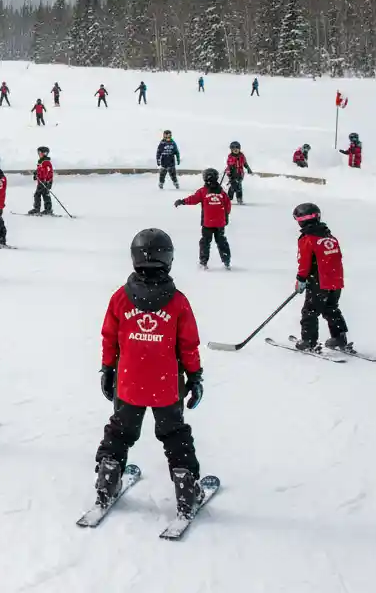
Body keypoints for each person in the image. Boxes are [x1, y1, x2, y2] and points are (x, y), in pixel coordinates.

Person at [93, 228, 205, 518]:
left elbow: (109, 337)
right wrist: (194, 376)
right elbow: (188, 345)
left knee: (120, 431)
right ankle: (185, 487)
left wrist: (108, 368)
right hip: (166, 387)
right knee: (174, 435)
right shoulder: (178, 302)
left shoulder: (121, 297)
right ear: (167, 259)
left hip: (129, 384)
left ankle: (107, 479)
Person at [291, 203, 351, 352]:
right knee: (331, 309)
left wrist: (301, 279)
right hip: (335, 281)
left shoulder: (307, 239)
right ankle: (339, 337)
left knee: (309, 312)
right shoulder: (329, 236)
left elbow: (304, 262)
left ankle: (309, 342)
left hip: (318, 281)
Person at [175, 168, 231, 269]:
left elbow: (193, 199)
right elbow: (228, 205)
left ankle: (203, 262)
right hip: (219, 224)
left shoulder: (203, 191)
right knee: (221, 241)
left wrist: (182, 201)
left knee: (205, 242)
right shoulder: (222, 192)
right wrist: (226, 216)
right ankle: (226, 260)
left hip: (207, 224)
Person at [29, 146, 54, 216]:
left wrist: (45, 180)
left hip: (45, 182)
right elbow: (40, 170)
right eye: (38, 152)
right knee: (40, 195)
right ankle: (39, 209)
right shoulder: (41, 161)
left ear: (45, 153)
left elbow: (47, 171)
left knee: (43, 195)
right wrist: (35, 173)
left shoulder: (46, 162)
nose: (38, 154)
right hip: (41, 182)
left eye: (40, 152)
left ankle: (47, 209)